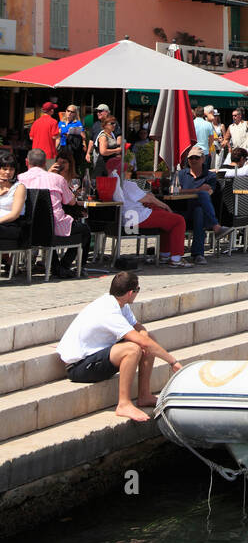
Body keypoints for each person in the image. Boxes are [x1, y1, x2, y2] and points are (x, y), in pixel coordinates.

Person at [56, 272, 182, 423]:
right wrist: (173, 362)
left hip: (96, 356)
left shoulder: (120, 303)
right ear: (131, 293)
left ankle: (144, 395)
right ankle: (123, 404)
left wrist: (144, 334)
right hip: (78, 367)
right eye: (138, 290)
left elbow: (138, 327)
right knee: (132, 349)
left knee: (147, 339)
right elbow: (143, 344)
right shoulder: (108, 310)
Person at [19, 147, 91, 277]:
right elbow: (71, 202)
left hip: (29, 227)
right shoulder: (57, 179)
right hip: (54, 227)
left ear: (27, 162)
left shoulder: (20, 178)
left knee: (47, 231)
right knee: (85, 230)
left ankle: (57, 266)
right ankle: (65, 265)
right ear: (45, 163)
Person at [114, 166, 189, 266]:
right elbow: (148, 198)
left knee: (166, 220)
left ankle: (165, 254)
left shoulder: (113, 183)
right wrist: (165, 205)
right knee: (178, 220)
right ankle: (176, 259)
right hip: (137, 217)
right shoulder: (127, 184)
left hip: (124, 219)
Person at [176, 146, 225, 262]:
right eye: (191, 158)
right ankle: (215, 226)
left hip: (199, 211)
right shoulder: (181, 174)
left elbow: (209, 193)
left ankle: (198, 254)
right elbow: (176, 191)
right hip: (182, 208)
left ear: (203, 159)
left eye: (196, 158)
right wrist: (197, 190)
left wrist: (197, 191)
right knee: (201, 196)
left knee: (199, 211)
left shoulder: (210, 176)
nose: (193, 160)